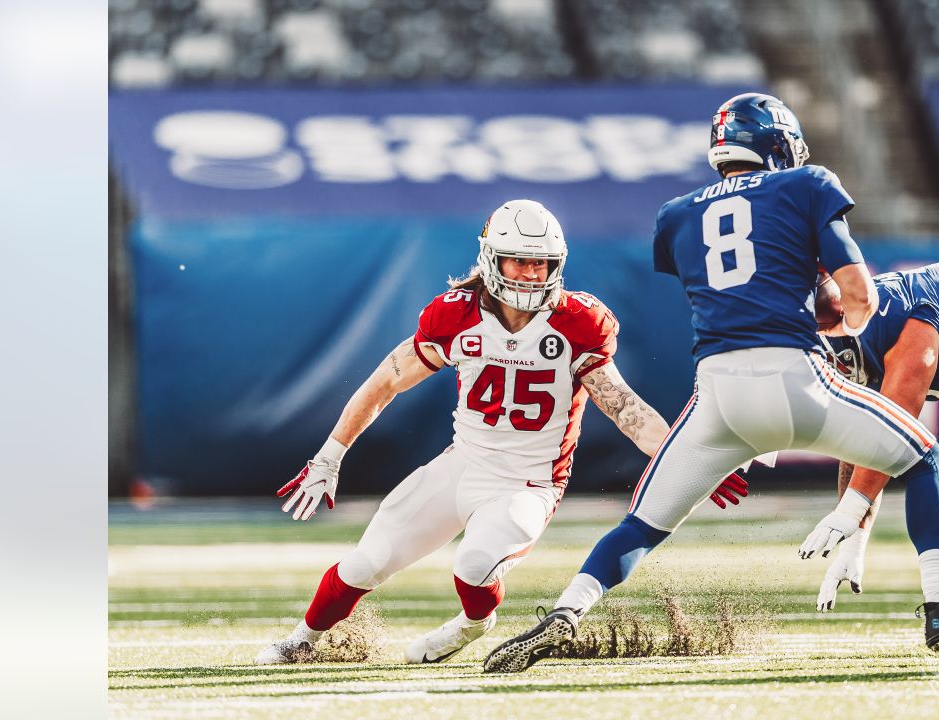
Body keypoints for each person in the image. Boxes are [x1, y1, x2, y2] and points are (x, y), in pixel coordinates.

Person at [483, 94, 939, 674]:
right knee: (925, 457)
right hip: (793, 376)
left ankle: (565, 612)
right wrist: (857, 330)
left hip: (716, 395)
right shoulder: (807, 184)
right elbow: (856, 295)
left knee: (642, 524)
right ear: (779, 145)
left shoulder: (677, 213)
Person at [254, 199, 746, 666]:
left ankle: (473, 623)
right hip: (463, 462)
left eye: (543, 264)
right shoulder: (456, 315)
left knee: (474, 565)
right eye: (520, 262)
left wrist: (686, 456)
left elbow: (625, 409)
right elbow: (385, 382)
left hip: (528, 482)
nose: (533, 274)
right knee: (365, 562)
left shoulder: (577, 323)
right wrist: (329, 456)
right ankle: (302, 640)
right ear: (492, 259)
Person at [812, 261, 939, 612]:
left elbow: (891, 437)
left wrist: (850, 512)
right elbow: (864, 445)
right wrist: (854, 544)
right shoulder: (853, 331)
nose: (831, 366)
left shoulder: (912, 326)